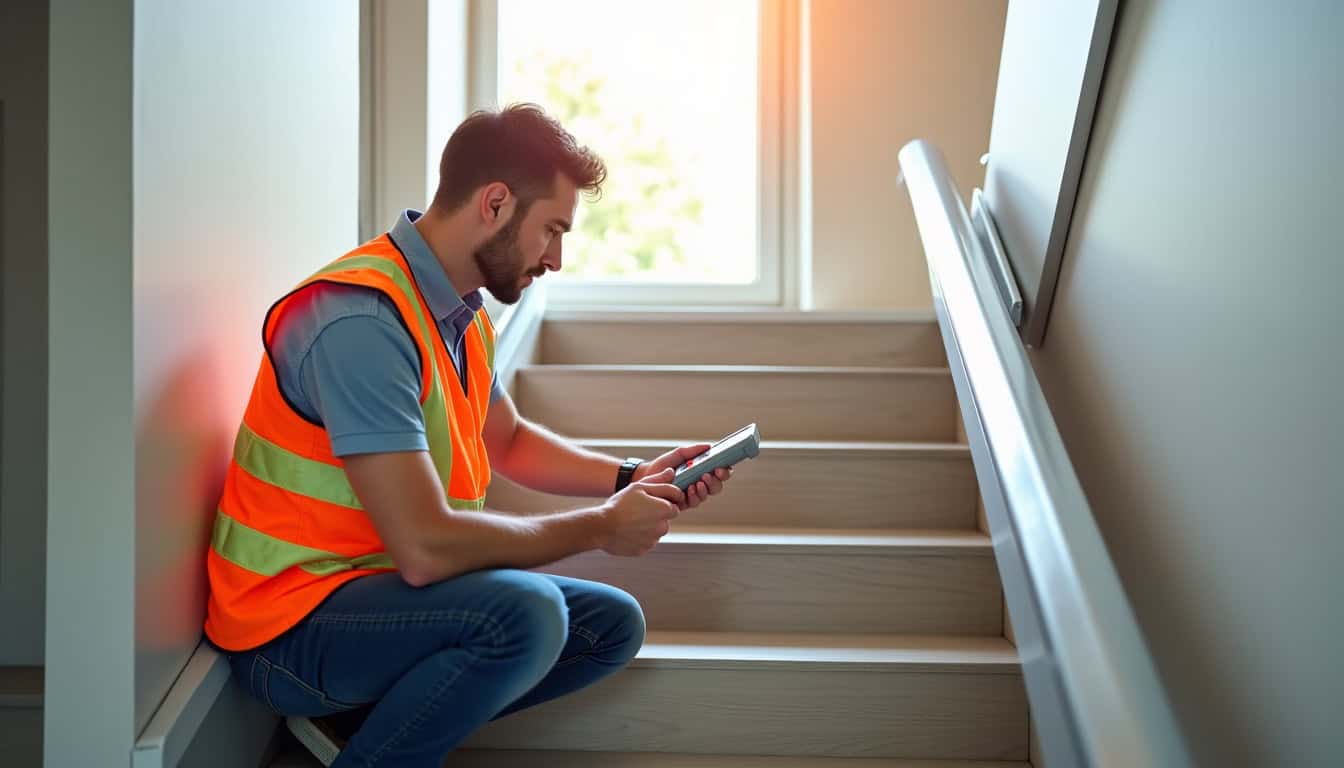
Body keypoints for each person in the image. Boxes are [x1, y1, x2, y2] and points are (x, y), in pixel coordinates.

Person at [203, 103, 733, 767]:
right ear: (495, 203)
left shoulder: (458, 316)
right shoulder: (361, 320)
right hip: (288, 626)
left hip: (377, 597)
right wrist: (601, 526)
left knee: (609, 627)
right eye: (552, 230)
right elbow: (425, 547)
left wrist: (631, 477)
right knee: (528, 614)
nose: (558, 258)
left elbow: (506, 441)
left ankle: (363, 728)